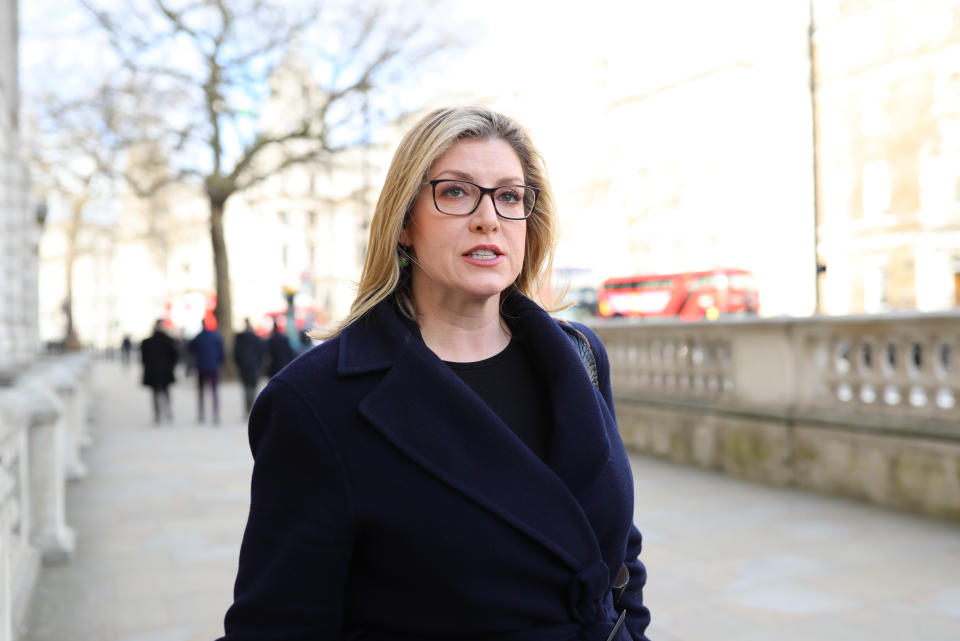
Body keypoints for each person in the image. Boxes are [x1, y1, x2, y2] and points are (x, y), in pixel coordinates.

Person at [219, 107, 651, 640]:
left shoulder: (580, 355)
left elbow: (618, 552)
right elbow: (278, 625)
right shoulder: (316, 401)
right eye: (456, 192)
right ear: (404, 222)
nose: (488, 218)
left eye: (510, 196)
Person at [139, 320, 178, 424]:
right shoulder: (168, 341)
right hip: (164, 371)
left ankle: (159, 414)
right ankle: (165, 412)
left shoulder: (147, 342)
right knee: (164, 392)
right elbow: (175, 356)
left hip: (154, 372)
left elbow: (143, 359)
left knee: (157, 393)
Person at [189, 316, 224, 424]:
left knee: (201, 392)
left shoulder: (198, 336)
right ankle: (215, 414)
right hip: (214, 367)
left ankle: (201, 413)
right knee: (214, 391)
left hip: (201, 367)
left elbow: (190, 348)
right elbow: (222, 352)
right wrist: (219, 362)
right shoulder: (216, 336)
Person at [233, 318, 265, 413]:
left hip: (244, 367)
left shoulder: (240, 338)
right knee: (253, 388)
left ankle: (248, 408)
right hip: (254, 366)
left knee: (247, 388)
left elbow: (236, 354)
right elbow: (262, 353)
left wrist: (239, 364)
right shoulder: (256, 338)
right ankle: (251, 407)